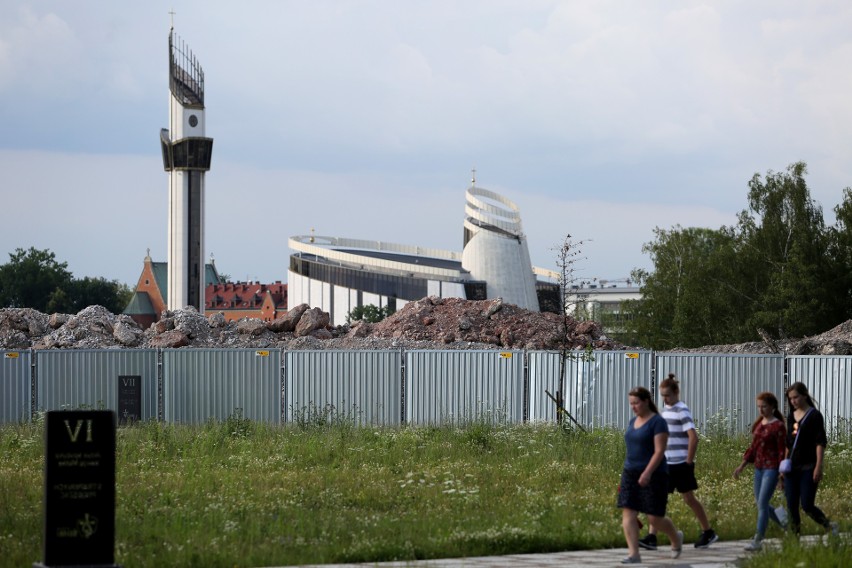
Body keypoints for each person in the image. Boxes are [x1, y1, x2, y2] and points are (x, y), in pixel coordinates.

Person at [638, 374, 718, 551]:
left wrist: (688, 462)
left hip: (681, 463)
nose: (665, 398)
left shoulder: (682, 410)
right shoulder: (664, 411)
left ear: (676, 392)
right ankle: (652, 537)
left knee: (689, 498)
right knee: (659, 499)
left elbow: (693, 438)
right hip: (666, 463)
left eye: (667, 395)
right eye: (662, 395)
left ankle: (708, 531)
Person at [617, 386, 683, 564]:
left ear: (646, 401)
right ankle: (634, 554)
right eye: (631, 403)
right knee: (628, 513)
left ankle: (675, 538)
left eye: (636, 403)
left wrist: (647, 472)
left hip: (655, 473)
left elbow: (660, 451)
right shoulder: (632, 422)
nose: (633, 407)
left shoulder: (657, 422)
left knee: (654, 517)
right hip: (630, 472)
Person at [732, 392, 787, 551]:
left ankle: (758, 540)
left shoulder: (778, 426)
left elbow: (781, 451)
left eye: (764, 406)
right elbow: (753, 448)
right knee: (760, 503)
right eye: (759, 407)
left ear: (772, 407)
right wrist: (741, 466)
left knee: (762, 503)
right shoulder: (759, 424)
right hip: (759, 468)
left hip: (772, 468)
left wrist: (780, 475)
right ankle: (787, 525)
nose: (761, 410)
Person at [783, 382, 838, 536]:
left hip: (809, 465)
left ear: (804, 395)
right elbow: (788, 442)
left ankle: (828, 526)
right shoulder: (791, 417)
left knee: (807, 504)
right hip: (792, 467)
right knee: (791, 505)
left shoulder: (814, 415)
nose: (793, 401)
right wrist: (783, 465)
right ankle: (795, 538)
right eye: (790, 398)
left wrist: (818, 466)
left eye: (796, 397)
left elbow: (820, 442)